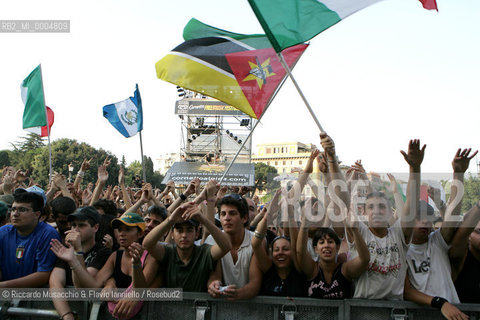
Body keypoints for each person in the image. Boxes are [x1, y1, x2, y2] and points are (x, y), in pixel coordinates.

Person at [404, 148, 477, 320]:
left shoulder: (437, 241)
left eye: (429, 219)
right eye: (419, 219)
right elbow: (407, 291)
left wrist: (458, 174)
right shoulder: (402, 249)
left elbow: (452, 215)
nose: (426, 223)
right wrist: (440, 303)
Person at [348, 139, 425, 300]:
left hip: (395, 311)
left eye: (382, 207)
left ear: (390, 212)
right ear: (363, 212)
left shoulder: (398, 234)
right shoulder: (360, 232)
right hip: (363, 310)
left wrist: (415, 169)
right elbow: (341, 203)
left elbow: (410, 204)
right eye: (371, 207)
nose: (377, 211)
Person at [51, 213, 158, 320]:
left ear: (140, 234)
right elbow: (92, 286)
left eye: (128, 230)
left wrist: (136, 265)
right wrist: (76, 256)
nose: (122, 234)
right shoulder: (115, 256)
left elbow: (139, 289)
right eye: (120, 230)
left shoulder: (150, 258)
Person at [143, 197, 231, 292]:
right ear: (172, 234)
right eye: (179, 230)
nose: (184, 235)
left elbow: (226, 247)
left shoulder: (204, 252)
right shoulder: (168, 252)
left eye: (189, 230)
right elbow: (147, 244)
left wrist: (203, 219)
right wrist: (171, 219)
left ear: (197, 233)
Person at [49, 206, 111, 320]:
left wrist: (77, 252)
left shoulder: (103, 253)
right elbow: (55, 283)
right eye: (73, 225)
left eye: (81, 225)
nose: (75, 230)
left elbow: (82, 288)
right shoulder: (65, 251)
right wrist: (67, 315)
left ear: (95, 227)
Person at [207, 194, 263, 300]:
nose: (227, 218)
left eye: (232, 213)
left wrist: (237, 294)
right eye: (223, 214)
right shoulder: (211, 240)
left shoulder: (256, 241)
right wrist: (214, 284)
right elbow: (214, 275)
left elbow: (255, 283)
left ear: (244, 218)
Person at [252, 191, 307, 297]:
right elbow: (255, 244)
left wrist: (290, 213)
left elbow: (296, 244)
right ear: (271, 253)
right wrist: (267, 216)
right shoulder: (268, 269)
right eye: (276, 250)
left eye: (286, 249)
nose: (281, 253)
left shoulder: (300, 270)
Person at [0, 189, 60, 288]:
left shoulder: (48, 234)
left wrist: (4, 286)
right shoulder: (3, 232)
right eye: (13, 209)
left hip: (34, 297)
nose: (15, 214)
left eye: (22, 210)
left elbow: (43, 275)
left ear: (37, 214)